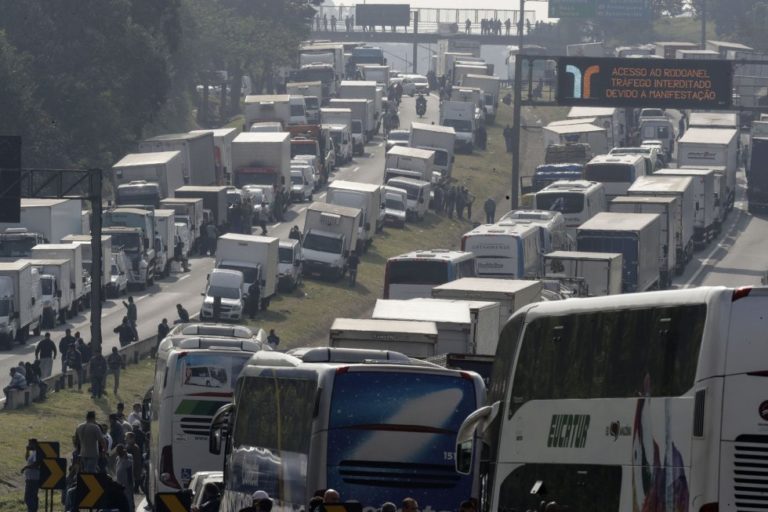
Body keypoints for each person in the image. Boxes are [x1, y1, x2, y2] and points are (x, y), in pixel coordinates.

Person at [113, 444, 135, 512]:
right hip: (119, 482)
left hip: (127, 482)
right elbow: (116, 468)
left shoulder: (129, 457)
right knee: (121, 498)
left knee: (128, 499)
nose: (118, 452)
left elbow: (130, 467)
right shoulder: (118, 458)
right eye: (117, 451)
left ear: (123, 450)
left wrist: (125, 457)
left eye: (119, 451)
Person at [21, 439, 40, 512]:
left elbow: (36, 464)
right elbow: (27, 459)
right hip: (30, 478)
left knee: (29, 497)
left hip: (34, 478)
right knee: (31, 497)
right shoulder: (33, 453)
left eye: (30, 444)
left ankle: (32, 510)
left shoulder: (37, 453)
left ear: (34, 444)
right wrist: (27, 451)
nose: (29, 446)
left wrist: (26, 467)